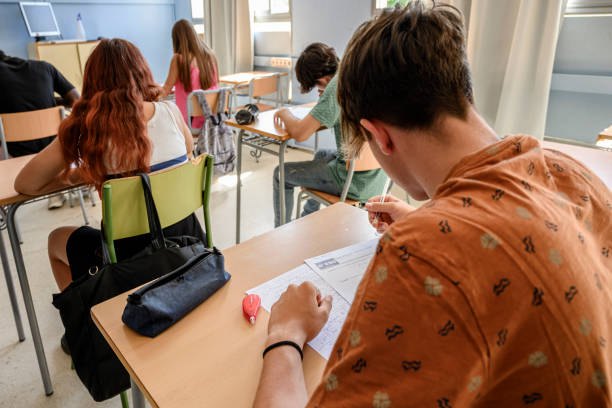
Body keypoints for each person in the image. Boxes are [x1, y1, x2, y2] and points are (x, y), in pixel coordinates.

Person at [253, 2, 612, 407]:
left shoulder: (422, 255)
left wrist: (284, 333)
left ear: (378, 136)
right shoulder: (575, 176)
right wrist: (432, 217)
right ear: (462, 88)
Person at [15, 38, 198, 300]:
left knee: (56, 239)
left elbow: (25, 184)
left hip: (128, 264)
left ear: (92, 84)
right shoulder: (170, 111)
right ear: (141, 72)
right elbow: (190, 152)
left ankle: (89, 321)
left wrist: (74, 177)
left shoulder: (87, 129)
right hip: (188, 246)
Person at [272, 42, 387, 227]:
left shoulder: (335, 86)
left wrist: (285, 112)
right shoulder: (354, 73)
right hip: (377, 176)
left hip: (354, 182)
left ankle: (279, 233)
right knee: (320, 155)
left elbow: (301, 134)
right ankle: (306, 219)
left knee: (281, 173)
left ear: (321, 80)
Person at [0, 50, 80, 208]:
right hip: (55, 144)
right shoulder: (45, 67)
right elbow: (77, 100)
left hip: (16, 151)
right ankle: (58, 182)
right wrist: (51, 103)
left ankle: (5, 205)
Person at [161, 19, 219, 129]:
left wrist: (148, 92)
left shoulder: (179, 59)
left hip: (189, 121)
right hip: (212, 118)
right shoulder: (211, 56)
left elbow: (165, 91)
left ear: (176, 40)